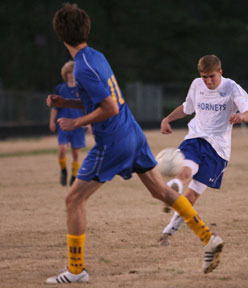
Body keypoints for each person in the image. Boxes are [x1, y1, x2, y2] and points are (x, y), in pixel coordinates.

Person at [45, 3, 223, 284]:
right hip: (133, 133)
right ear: (86, 29)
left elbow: (109, 107)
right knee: (161, 192)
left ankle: (76, 270)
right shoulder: (95, 57)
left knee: (73, 200)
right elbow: (102, 99)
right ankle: (208, 238)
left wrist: (75, 122)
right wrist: (66, 102)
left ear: (60, 35)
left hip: (113, 140)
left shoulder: (81, 68)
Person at [157, 55, 248, 246]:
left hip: (218, 150)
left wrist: (241, 117)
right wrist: (167, 119)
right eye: (204, 77)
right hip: (195, 138)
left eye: (212, 76)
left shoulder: (232, 87)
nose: (208, 81)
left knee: (192, 196)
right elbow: (187, 108)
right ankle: (175, 185)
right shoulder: (196, 84)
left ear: (220, 72)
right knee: (186, 170)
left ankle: (168, 233)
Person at [49, 60, 87, 186]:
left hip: (78, 125)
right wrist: (52, 121)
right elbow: (55, 107)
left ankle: (74, 176)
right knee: (63, 149)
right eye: (69, 72)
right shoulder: (60, 88)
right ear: (65, 74)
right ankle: (63, 170)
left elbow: (87, 106)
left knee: (76, 153)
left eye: (73, 72)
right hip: (63, 125)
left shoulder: (81, 88)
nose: (71, 75)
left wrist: (89, 123)